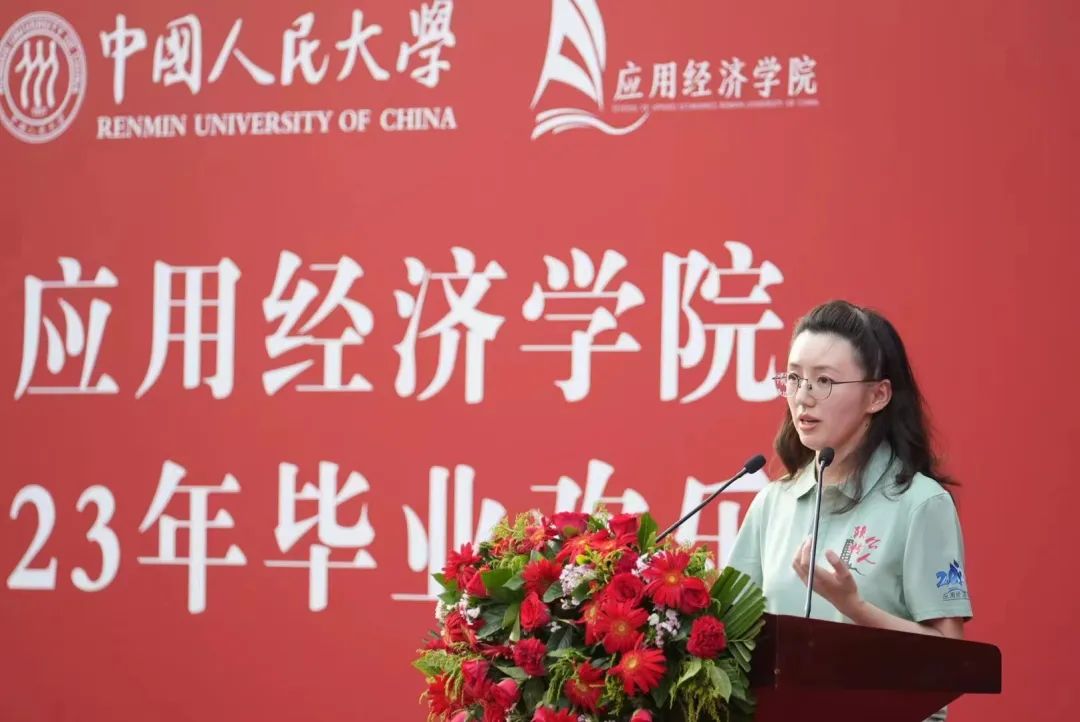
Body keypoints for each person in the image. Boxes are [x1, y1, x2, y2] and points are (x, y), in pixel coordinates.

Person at [727, 300, 972, 721]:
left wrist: (856, 607)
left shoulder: (920, 503)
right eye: (794, 378)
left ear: (877, 395)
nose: (803, 397)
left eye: (824, 380)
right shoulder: (774, 502)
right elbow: (729, 636)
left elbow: (952, 659)